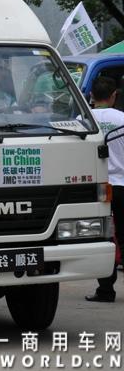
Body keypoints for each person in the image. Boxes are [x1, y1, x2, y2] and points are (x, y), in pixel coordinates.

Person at [85, 76, 124, 303]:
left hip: (97, 188)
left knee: (105, 237)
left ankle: (106, 290)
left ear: (91, 95)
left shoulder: (84, 119)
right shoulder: (122, 118)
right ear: (113, 96)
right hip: (122, 185)